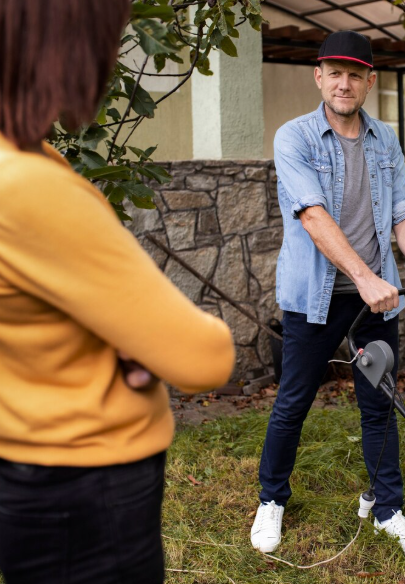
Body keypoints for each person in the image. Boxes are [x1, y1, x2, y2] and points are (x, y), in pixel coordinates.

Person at [0, 2, 235, 583]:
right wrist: (134, 337)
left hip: (29, 462)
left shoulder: (22, 158)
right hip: (85, 489)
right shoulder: (29, 186)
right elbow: (203, 356)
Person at [250, 31, 405, 559]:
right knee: (294, 401)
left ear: (369, 82)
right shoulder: (294, 138)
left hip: (376, 294)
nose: (344, 83)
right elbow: (312, 214)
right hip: (318, 295)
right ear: (318, 76)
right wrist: (365, 278)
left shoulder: (385, 140)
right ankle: (271, 499)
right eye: (334, 72)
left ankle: (386, 508)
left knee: (378, 404)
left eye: (355, 74)